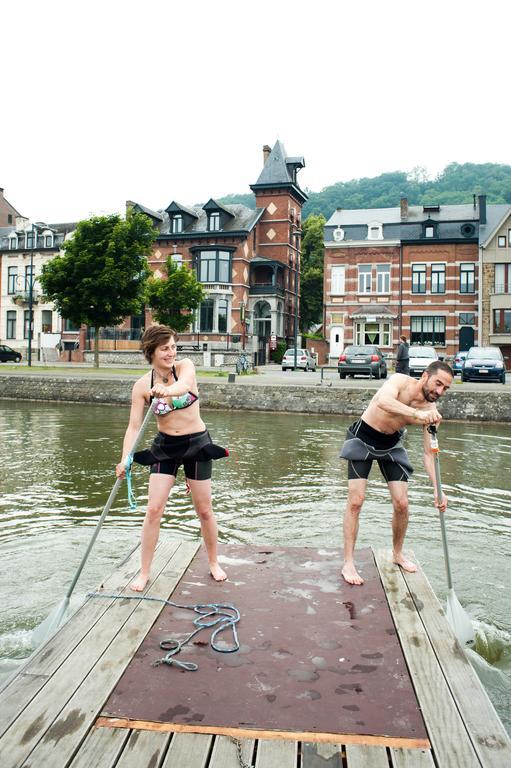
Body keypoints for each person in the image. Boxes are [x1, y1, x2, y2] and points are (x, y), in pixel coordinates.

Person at [116, 324, 228, 590]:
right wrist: (125, 459)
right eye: (165, 348)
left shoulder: (186, 366)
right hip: (166, 446)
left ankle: (213, 562)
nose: (171, 353)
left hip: (196, 443)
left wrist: (168, 391)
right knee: (153, 510)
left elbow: (185, 385)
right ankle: (144, 572)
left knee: (204, 510)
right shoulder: (142, 386)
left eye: (173, 347)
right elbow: (133, 427)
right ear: (151, 351)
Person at [339, 360, 453, 585]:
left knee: (402, 503)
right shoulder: (400, 381)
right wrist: (415, 414)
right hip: (362, 438)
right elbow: (383, 401)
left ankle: (397, 554)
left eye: (445, 388)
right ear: (424, 376)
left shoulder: (431, 412)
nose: (439, 392)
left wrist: (438, 489)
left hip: (391, 445)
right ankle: (348, 562)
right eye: (438, 384)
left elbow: (430, 455)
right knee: (356, 501)